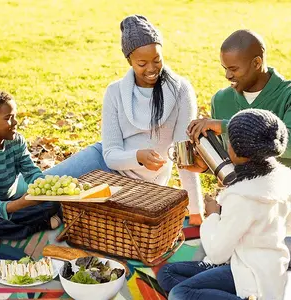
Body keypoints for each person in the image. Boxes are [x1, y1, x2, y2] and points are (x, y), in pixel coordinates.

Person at [43, 15, 204, 225]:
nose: (151, 69)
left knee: (67, 209)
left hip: (138, 185)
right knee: (40, 189)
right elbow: (110, 155)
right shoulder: (115, 92)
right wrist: (137, 156)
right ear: (129, 61)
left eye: (157, 60)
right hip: (103, 162)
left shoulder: (181, 90)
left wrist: (196, 211)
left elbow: (184, 156)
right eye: (142, 63)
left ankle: (52, 217)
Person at [157, 109, 291, 300]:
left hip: (250, 275)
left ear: (236, 151)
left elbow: (217, 252)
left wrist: (213, 215)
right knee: (167, 274)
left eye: (229, 141)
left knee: (180, 293)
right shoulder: (283, 178)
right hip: (267, 267)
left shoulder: (242, 196)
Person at [185, 29, 291, 172]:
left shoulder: (287, 95)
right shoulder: (221, 100)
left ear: (257, 63)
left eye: (233, 69)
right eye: (225, 68)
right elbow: (229, 162)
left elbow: (287, 144)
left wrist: (226, 127)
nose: (227, 75)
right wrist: (206, 167)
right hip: (241, 190)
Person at [0, 90, 61, 240]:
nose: (15, 122)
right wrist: (20, 204)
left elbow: (31, 172)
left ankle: (7, 229)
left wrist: (44, 189)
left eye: (15, 116)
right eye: (8, 118)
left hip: (11, 201)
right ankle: (37, 225)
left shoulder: (16, 141)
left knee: (55, 203)